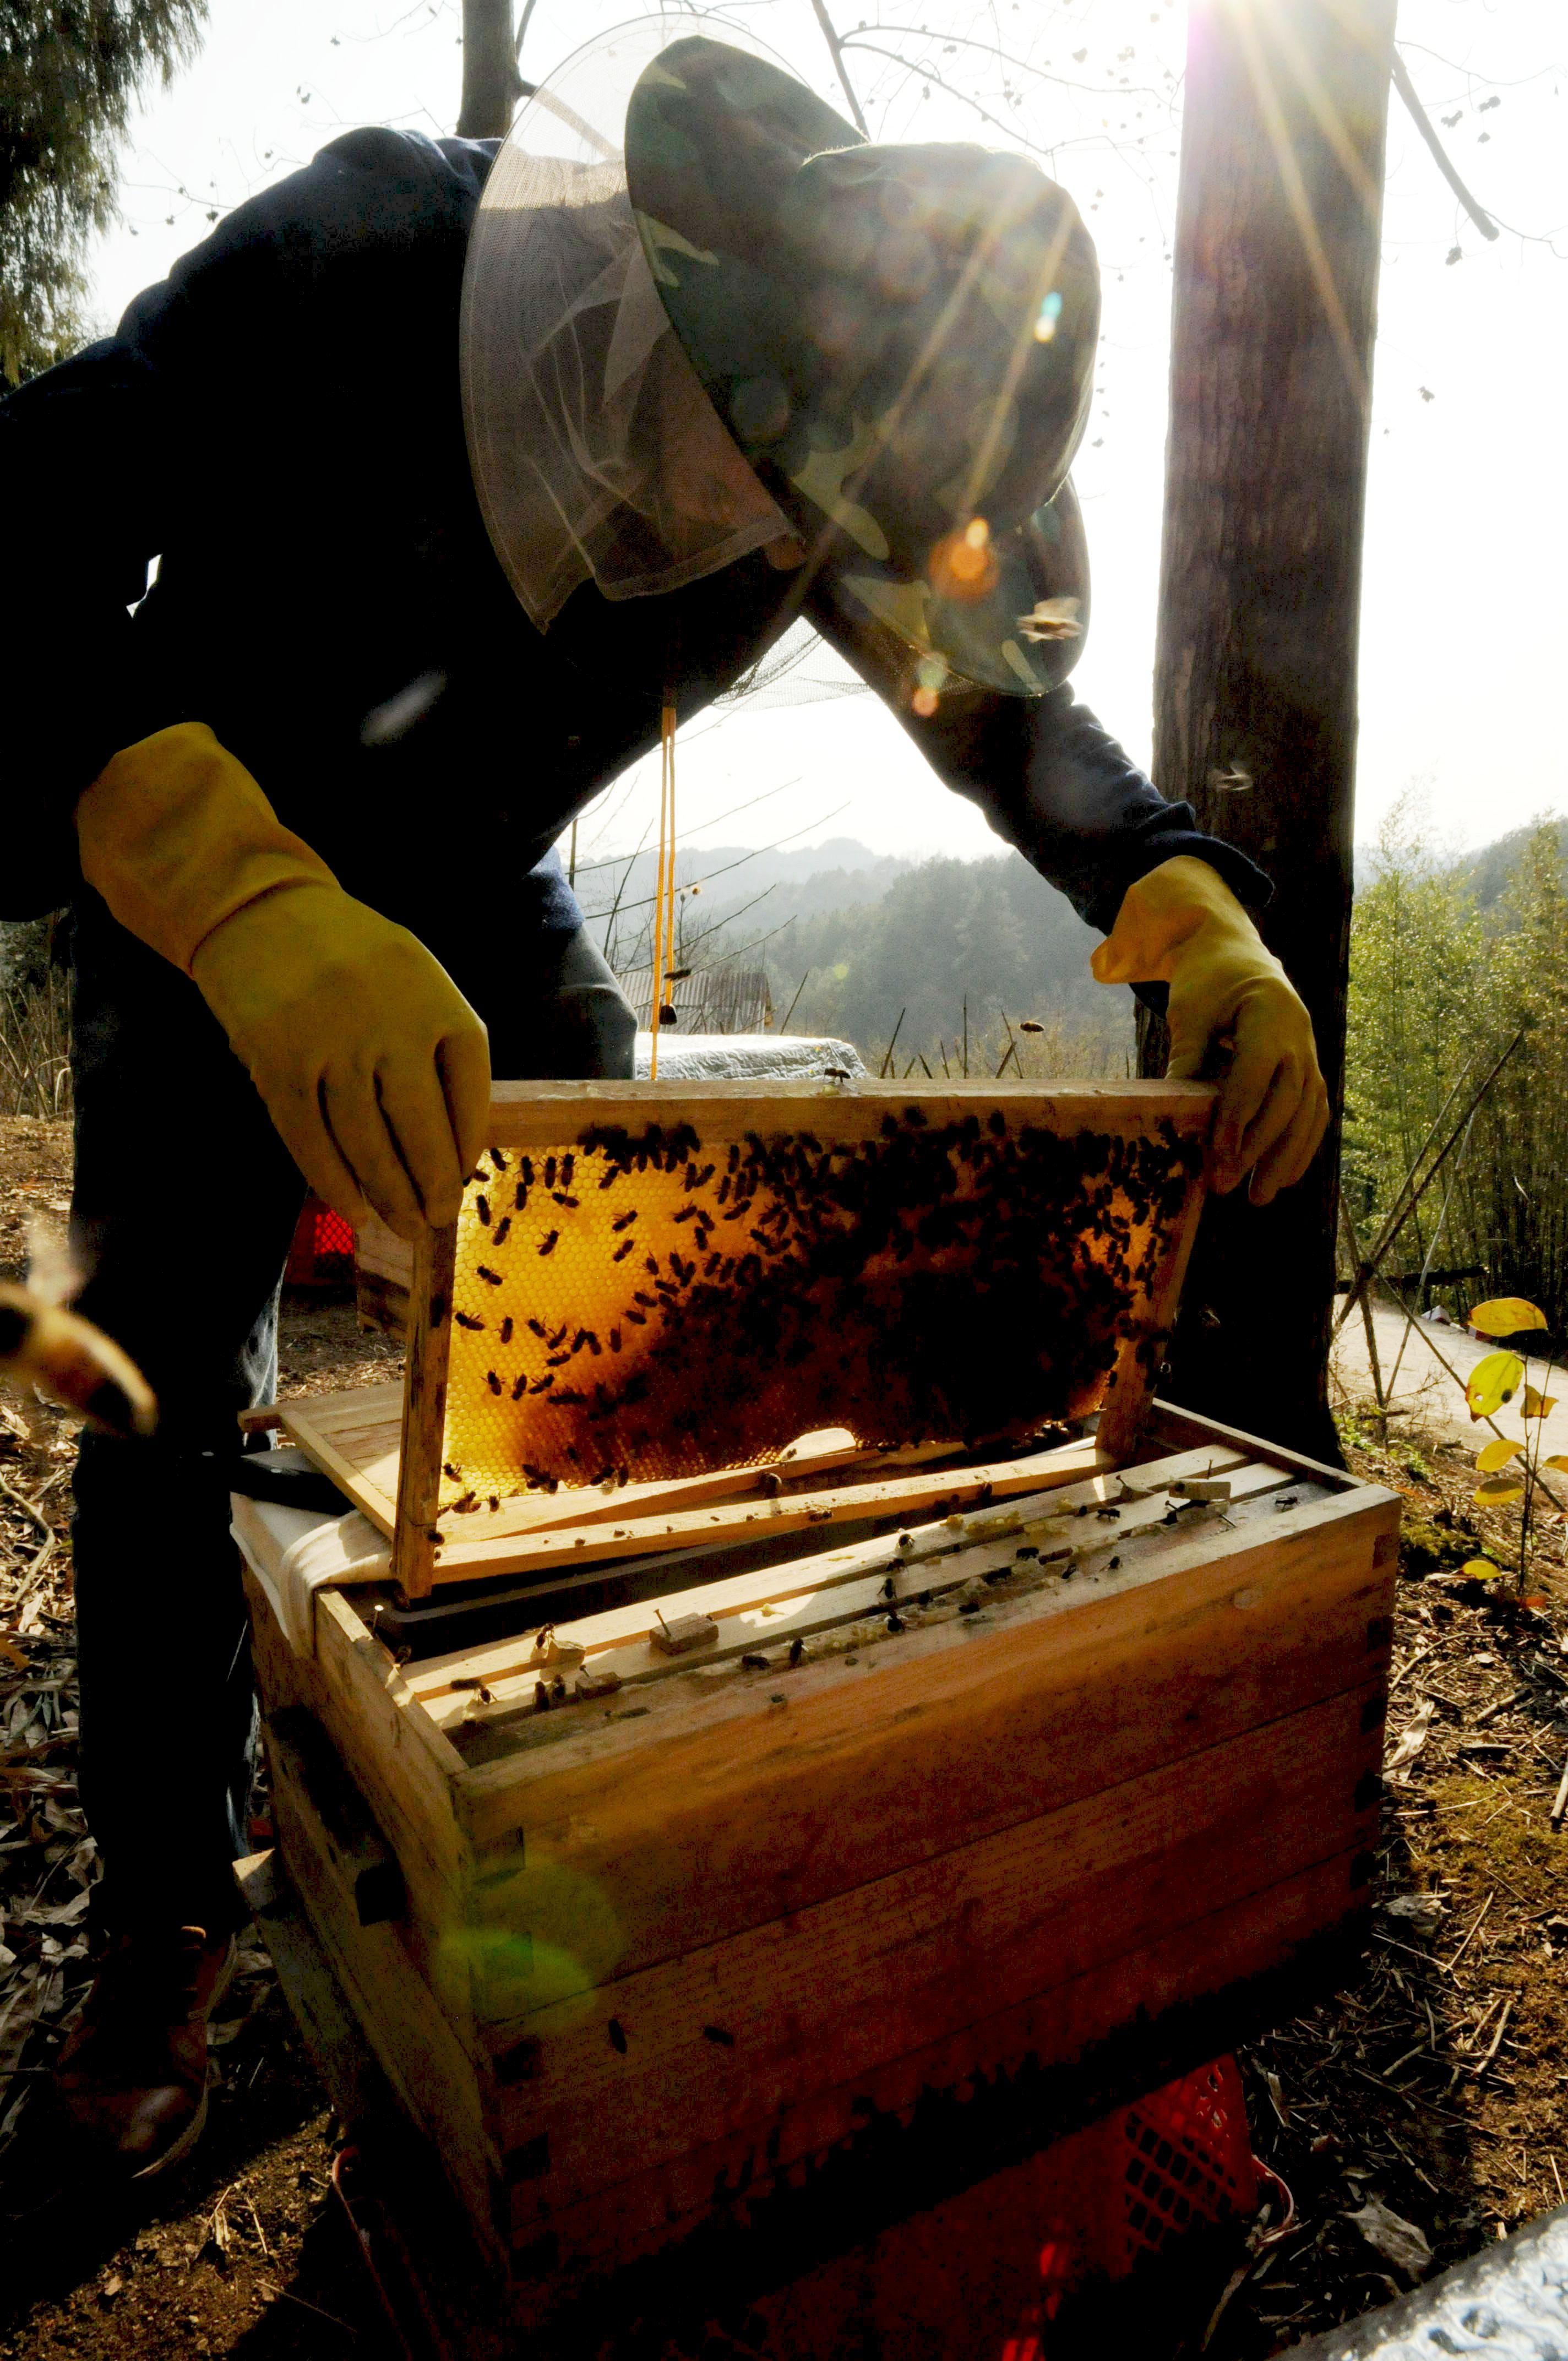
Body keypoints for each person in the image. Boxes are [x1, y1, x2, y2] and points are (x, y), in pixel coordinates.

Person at [0, 24, 1327, 2177]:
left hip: (471, 889)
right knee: (164, 1386)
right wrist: (228, 883)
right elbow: (15, 536)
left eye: (838, 519)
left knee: (617, 1345)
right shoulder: (365, 244)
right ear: (679, 288)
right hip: (205, 873)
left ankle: (543, 1841)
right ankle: (165, 1914)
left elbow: (1006, 712)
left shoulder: (838, 476)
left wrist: (1179, 888)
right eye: (774, 466)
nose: (780, 543)